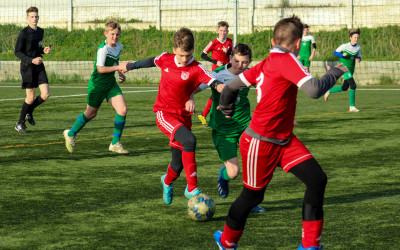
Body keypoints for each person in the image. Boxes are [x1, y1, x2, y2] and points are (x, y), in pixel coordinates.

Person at [213, 15, 348, 250]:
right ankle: (226, 242)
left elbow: (233, 85)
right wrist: (335, 72)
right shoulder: (287, 60)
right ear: (298, 44)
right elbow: (314, 90)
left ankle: (309, 246)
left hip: (283, 139)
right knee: (252, 197)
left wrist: (226, 106)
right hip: (260, 142)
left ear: (273, 39)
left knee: (317, 180)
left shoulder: (267, 62)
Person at [119, 27, 225, 204]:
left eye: (189, 55)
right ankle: (192, 188)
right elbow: (152, 61)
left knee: (178, 164)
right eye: (182, 55)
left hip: (183, 117)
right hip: (164, 113)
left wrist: (223, 88)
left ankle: (166, 181)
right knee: (190, 140)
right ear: (174, 49)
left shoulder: (197, 67)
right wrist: (130, 66)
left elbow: (212, 80)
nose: (185, 59)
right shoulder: (166, 59)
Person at [200, 43, 265, 213]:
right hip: (224, 130)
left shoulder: (250, 74)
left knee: (255, 163)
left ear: (249, 62)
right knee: (234, 172)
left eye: (245, 62)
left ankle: (250, 201)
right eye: (237, 61)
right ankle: (223, 176)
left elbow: (267, 88)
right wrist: (188, 97)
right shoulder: (218, 74)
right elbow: (198, 86)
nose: (240, 66)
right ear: (230, 58)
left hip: (246, 127)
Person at [63, 20, 131, 154]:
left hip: (110, 83)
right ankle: (70, 133)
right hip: (97, 85)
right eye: (112, 34)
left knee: (122, 110)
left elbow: (115, 61)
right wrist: (118, 67)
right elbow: (100, 69)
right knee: (91, 113)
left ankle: (115, 143)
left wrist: (119, 73)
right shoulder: (103, 49)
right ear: (105, 33)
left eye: (117, 34)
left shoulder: (119, 46)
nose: (115, 37)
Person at [14, 6, 52, 132]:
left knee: (45, 94)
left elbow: (37, 48)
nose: (34, 18)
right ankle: (20, 123)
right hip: (28, 66)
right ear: (27, 18)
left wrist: (44, 51)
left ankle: (29, 110)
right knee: (30, 97)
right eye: (32, 16)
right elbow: (17, 52)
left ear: (38, 17)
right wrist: (31, 60)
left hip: (39, 65)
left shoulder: (41, 31)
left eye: (36, 16)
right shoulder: (23, 33)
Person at [198, 21, 233, 126]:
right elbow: (203, 55)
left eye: (225, 31)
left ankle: (204, 114)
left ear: (227, 31)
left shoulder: (230, 42)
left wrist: (227, 53)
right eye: (221, 31)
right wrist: (215, 62)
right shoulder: (213, 43)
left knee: (221, 94)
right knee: (219, 94)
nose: (223, 33)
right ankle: (206, 115)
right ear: (218, 31)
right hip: (216, 73)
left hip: (227, 72)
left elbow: (232, 55)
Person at [324, 29, 361, 112]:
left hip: (351, 68)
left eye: (358, 38)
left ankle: (329, 90)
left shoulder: (358, 47)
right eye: (354, 37)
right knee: (353, 85)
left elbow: (359, 56)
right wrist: (342, 55)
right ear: (350, 38)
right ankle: (352, 107)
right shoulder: (345, 46)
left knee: (345, 87)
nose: (356, 39)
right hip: (344, 68)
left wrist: (358, 59)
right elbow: (335, 52)